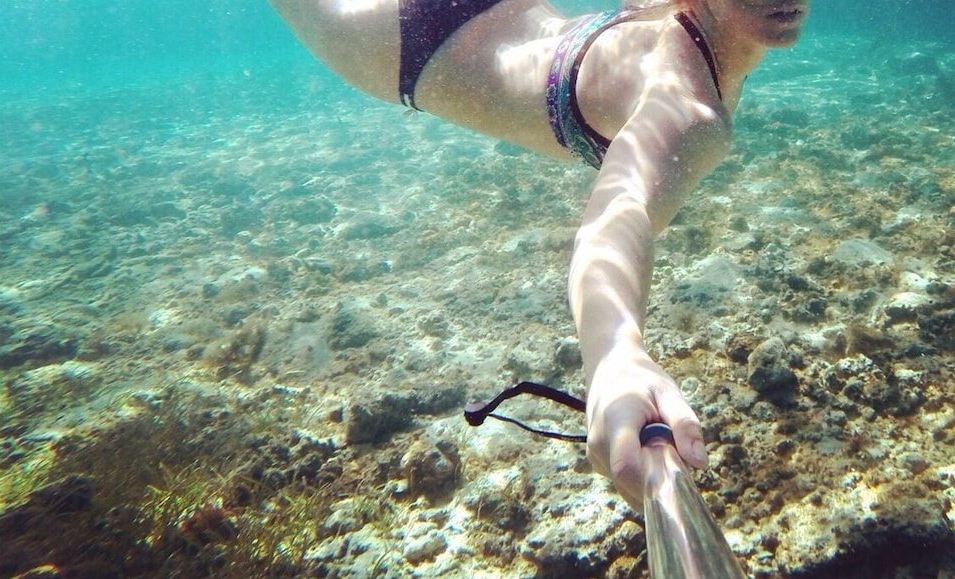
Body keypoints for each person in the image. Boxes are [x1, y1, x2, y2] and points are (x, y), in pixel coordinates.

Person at [267, 0, 810, 509]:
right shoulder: (687, 111)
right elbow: (615, 220)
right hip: (407, 43)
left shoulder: (675, 17)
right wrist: (615, 356)